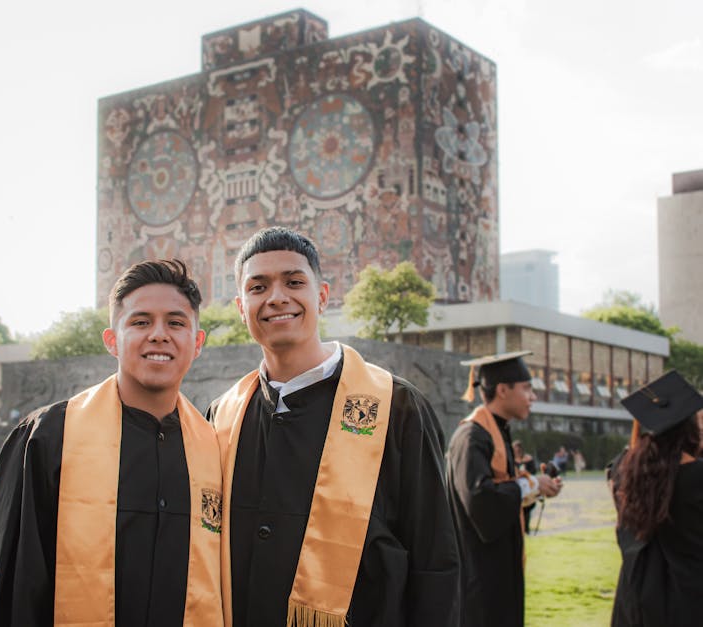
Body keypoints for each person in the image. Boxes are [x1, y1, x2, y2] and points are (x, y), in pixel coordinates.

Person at [207, 227, 459, 626]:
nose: (276, 298)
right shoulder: (222, 416)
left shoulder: (396, 407)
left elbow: (435, 561)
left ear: (322, 296)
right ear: (241, 306)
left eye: (294, 282)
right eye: (258, 287)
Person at [0, 259, 222, 627]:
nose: (159, 334)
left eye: (176, 322)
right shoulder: (49, 438)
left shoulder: (214, 448)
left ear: (197, 343)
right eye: (140, 321)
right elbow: (4, 584)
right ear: (111, 341)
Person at [446, 351, 563, 627]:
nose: (532, 397)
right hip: (479, 576)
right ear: (502, 390)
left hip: (499, 571)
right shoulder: (472, 437)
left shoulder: (497, 434)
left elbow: (503, 493)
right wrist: (530, 485)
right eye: (527, 388)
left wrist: (535, 490)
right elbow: (481, 501)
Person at [610, 370, 703, 626]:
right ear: (691, 427)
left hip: (635, 600)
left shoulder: (622, 474)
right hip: (690, 602)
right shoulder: (697, 476)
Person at [512, 439, 539, 533]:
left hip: (528, 485)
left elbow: (533, 472)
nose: (517, 452)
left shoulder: (528, 459)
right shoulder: (512, 460)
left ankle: (526, 528)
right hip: (518, 486)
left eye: (518, 450)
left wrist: (526, 474)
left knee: (528, 507)